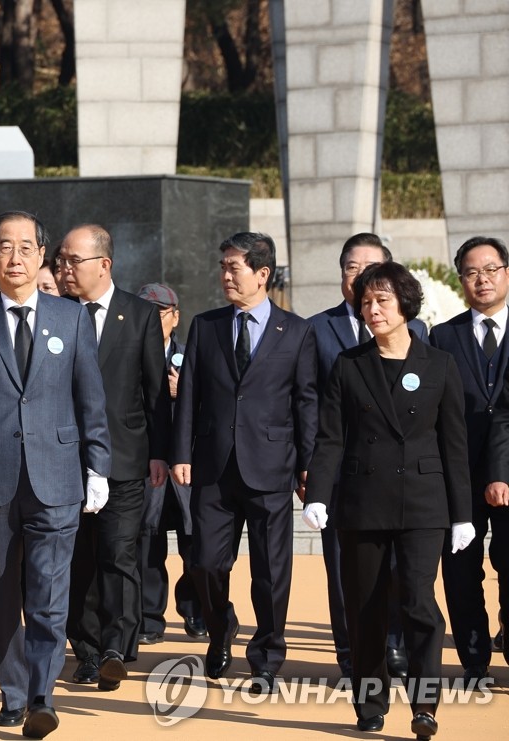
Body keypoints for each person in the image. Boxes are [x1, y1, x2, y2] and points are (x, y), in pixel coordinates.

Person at [0, 211, 111, 738]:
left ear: (42, 256)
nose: (16, 257)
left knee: (49, 590)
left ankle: (41, 693)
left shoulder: (71, 318)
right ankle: (11, 693)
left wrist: (98, 465)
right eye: (5, 248)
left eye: (26, 247)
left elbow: (91, 399)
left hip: (57, 475)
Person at [303, 261, 473, 737]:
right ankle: (370, 702)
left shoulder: (439, 364)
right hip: (362, 501)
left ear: (405, 305)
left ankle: (424, 705)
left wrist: (462, 514)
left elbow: (453, 444)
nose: (372, 310)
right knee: (367, 607)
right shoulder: (350, 364)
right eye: (365, 302)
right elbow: (330, 437)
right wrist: (318, 493)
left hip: (423, 502)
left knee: (419, 602)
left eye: (381, 300)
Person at [171, 232, 317, 696]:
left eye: (235, 267)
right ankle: (221, 627)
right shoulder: (206, 326)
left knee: (272, 572)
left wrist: (307, 466)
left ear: (263, 274)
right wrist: (181, 453)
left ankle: (268, 656)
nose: (226, 275)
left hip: (272, 467)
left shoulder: (296, 331)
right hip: (212, 468)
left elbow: (305, 403)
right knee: (206, 563)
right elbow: (189, 393)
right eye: (223, 266)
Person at [307, 232, 425, 679]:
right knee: (346, 570)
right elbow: (306, 401)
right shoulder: (316, 328)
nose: (360, 277)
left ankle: (393, 642)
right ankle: (351, 649)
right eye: (351, 268)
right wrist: (309, 466)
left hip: (399, 475)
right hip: (340, 471)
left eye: (371, 269)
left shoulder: (418, 332)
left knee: (398, 567)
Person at [59, 224, 170, 692]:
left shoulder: (140, 314)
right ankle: (85, 650)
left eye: (73, 261)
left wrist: (161, 453)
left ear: (103, 264)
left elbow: (154, 391)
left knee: (119, 553)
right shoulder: (55, 313)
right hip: (65, 460)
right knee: (77, 560)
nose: (64, 269)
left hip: (125, 459)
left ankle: (116, 647)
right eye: (60, 261)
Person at [433, 236, 509, 683]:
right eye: (471, 272)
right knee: (461, 572)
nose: (482, 280)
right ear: (461, 279)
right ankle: (475, 660)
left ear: (506, 273)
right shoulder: (444, 336)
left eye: (491, 269)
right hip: (456, 474)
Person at [134, 283, 207, 646]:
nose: (152, 319)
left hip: (187, 467)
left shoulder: (191, 355)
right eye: (145, 312)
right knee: (148, 543)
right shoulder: (128, 355)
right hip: (147, 468)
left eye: (159, 312)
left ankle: (194, 608)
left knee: (195, 542)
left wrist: (185, 392)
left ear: (175, 316)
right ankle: (149, 618)